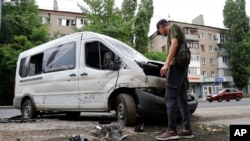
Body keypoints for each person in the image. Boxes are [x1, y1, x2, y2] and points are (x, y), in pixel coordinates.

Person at [155, 19, 194, 140]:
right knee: (182, 99)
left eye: (160, 31)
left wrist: (166, 64)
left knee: (170, 98)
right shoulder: (176, 29)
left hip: (176, 67)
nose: (161, 34)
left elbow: (175, 43)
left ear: (161, 27)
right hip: (182, 68)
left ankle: (172, 130)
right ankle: (187, 129)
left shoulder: (172, 28)